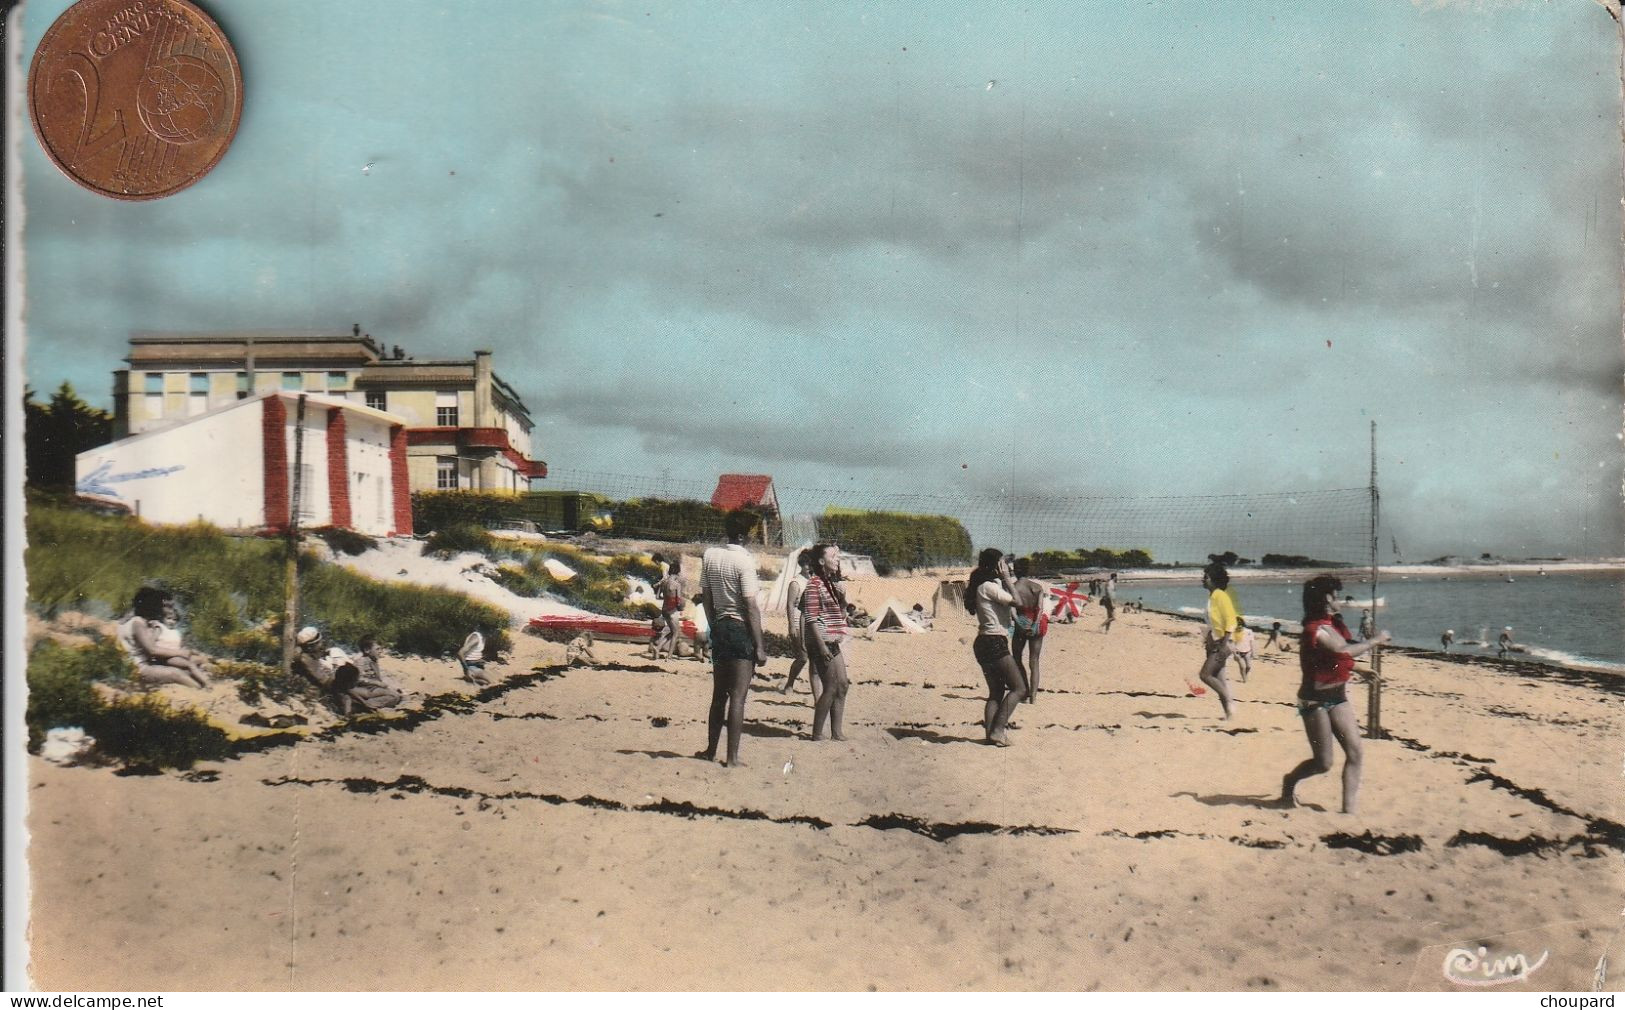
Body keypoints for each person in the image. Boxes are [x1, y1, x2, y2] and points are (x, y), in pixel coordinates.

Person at [1280, 575, 1391, 815]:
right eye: (1336, 596)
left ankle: (1348, 812)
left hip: (1338, 696)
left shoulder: (1333, 624)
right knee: (1323, 763)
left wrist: (1359, 669)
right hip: (1314, 700)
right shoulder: (1313, 629)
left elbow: (1336, 660)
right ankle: (1289, 781)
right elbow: (1342, 651)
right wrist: (1377, 640)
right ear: (1325, 599)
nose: (1340, 599)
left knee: (1356, 751)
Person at [698, 510, 768, 767]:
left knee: (719, 695)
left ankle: (710, 751)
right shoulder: (745, 562)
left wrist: (714, 624)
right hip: (740, 628)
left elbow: (706, 597)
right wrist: (760, 646)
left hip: (720, 626)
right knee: (738, 697)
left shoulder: (710, 555)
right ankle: (732, 758)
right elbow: (751, 606)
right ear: (743, 535)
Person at [964, 548, 1026, 745]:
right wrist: (1008, 578)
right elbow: (1018, 602)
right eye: (1003, 563)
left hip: (984, 642)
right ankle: (998, 730)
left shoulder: (986, 586)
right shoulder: (989, 587)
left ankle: (990, 734)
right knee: (1019, 689)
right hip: (993, 642)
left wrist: (1004, 580)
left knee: (996, 692)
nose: (1006, 566)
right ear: (996, 565)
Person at [799, 543, 851, 741]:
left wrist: (843, 596)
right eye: (833, 556)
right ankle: (817, 734)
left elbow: (843, 612)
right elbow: (810, 618)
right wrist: (820, 647)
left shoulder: (830, 582)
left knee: (843, 685)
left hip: (832, 641)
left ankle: (836, 732)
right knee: (830, 686)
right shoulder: (814, 584)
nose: (837, 559)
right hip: (821, 641)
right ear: (821, 561)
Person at [117, 588, 212, 688]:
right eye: (160, 606)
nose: (161, 609)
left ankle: (202, 686)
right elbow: (152, 650)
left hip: (133, 667)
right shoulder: (138, 623)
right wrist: (180, 652)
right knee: (175, 673)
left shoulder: (134, 621)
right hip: (138, 669)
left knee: (185, 670)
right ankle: (200, 691)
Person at [1196, 560, 1239, 719]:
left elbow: (1231, 621)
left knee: (1205, 675)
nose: (1203, 579)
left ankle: (1230, 702)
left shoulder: (1220, 596)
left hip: (1223, 643)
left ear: (1213, 579)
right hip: (1215, 642)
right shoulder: (1213, 596)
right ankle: (1229, 715)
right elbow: (1214, 623)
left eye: (1206, 577)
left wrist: (1223, 644)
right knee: (1219, 678)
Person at [291, 626, 360, 714]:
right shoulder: (306, 660)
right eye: (318, 642)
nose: (321, 643)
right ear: (310, 646)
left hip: (323, 684)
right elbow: (325, 681)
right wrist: (338, 671)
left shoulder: (308, 655)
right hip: (317, 691)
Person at [1010, 558, 1049, 703]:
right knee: (1034, 661)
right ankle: (1033, 697)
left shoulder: (1013, 588)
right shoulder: (1037, 587)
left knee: (1017, 658)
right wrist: (1034, 625)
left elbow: (1012, 611)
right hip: (1037, 623)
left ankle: (1024, 691)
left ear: (1015, 570)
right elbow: (1040, 609)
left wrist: (1020, 625)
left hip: (1021, 622)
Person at [779, 549, 813, 694]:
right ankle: (789, 684)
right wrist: (791, 625)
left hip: (812, 623)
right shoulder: (796, 582)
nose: (808, 567)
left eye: (810, 564)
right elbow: (790, 604)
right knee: (802, 657)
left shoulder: (814, 580)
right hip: (798, 621)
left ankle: (816, 688)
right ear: (801, 564)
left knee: (815, 659)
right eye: (805, 564)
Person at [347, 635, 406, 711]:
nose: (380, 651)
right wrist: (376, 683)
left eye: (381, 649)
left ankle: (366, 704)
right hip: (362, 689)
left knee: (396, 694)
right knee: (394, 696)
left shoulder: (372, 660)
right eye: (378, 649)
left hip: (371, 688)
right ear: (367, 650)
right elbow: (358, 678)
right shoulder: (361, 661)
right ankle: (362, 705)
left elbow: (376, 677)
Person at [651, 558, 686, 660]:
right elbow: (678, 601)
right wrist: (681, 607)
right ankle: (669, 656)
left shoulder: (664, 582)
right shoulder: (677, 585)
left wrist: (667, 598)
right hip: (672, 611)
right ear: (678, 572)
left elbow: (658, 597)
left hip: (664, 610)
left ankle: (657, 648)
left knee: (672, 632)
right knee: (676, 633)